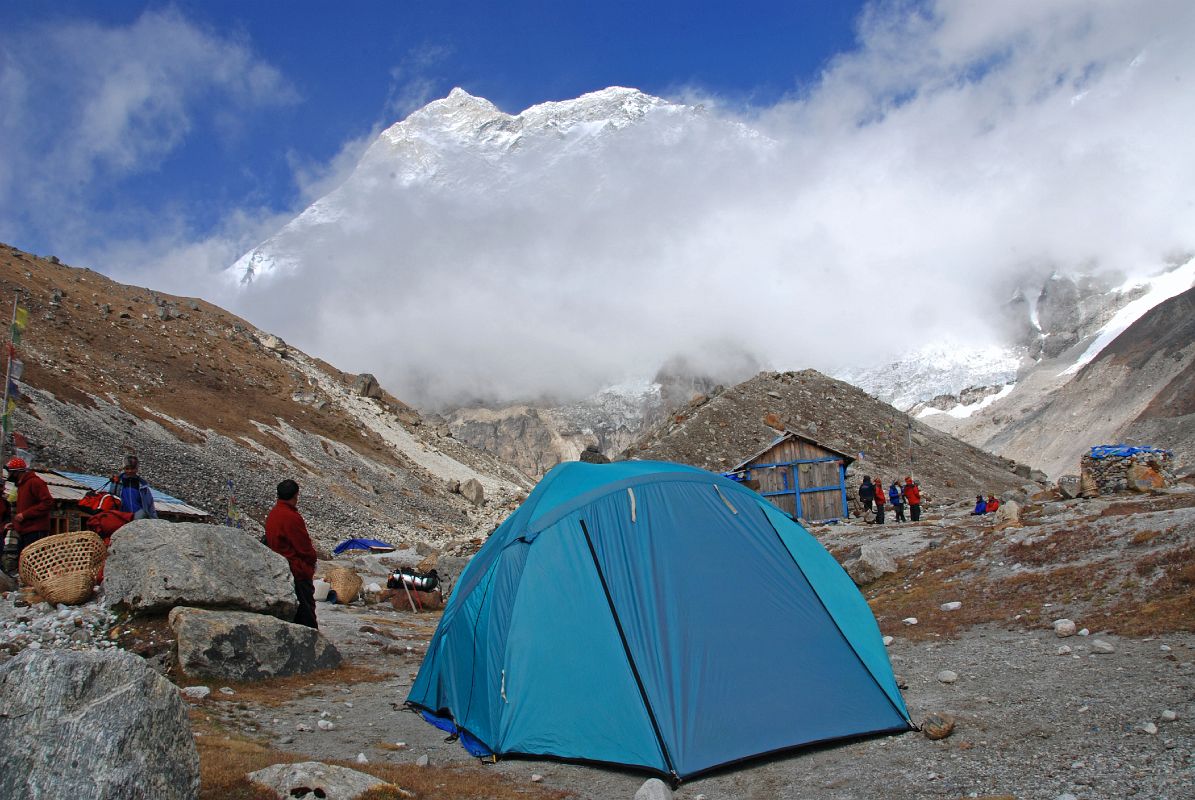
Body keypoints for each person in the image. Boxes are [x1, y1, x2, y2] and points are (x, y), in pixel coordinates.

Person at [265, 479, 318, 628]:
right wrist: (312, 562)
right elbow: (303, 548)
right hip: (296, 570)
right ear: (295, 495)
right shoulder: (291, 517)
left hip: (279, 569)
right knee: (306, 614)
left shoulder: (274, 513)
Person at [6, 457, 53, 563]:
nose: (9, 475)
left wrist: (25, 515)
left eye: (10, 472)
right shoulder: (21, 485)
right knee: (24, 563)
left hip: (36, 530)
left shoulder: (35, 482)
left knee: (34, 562)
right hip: (25, 530)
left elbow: (48, 502)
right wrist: (15, 523)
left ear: (16, 472)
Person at [101, 455, 157, 519]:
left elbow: (150, 504)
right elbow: (111, 500)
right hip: (121, 517)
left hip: (138, 518)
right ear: (124, 469)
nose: (130, 471)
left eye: (132, 468)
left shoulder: (142, 485)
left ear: (136, 469)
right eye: (127, 468)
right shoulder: (117, 483)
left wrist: (154, 519)